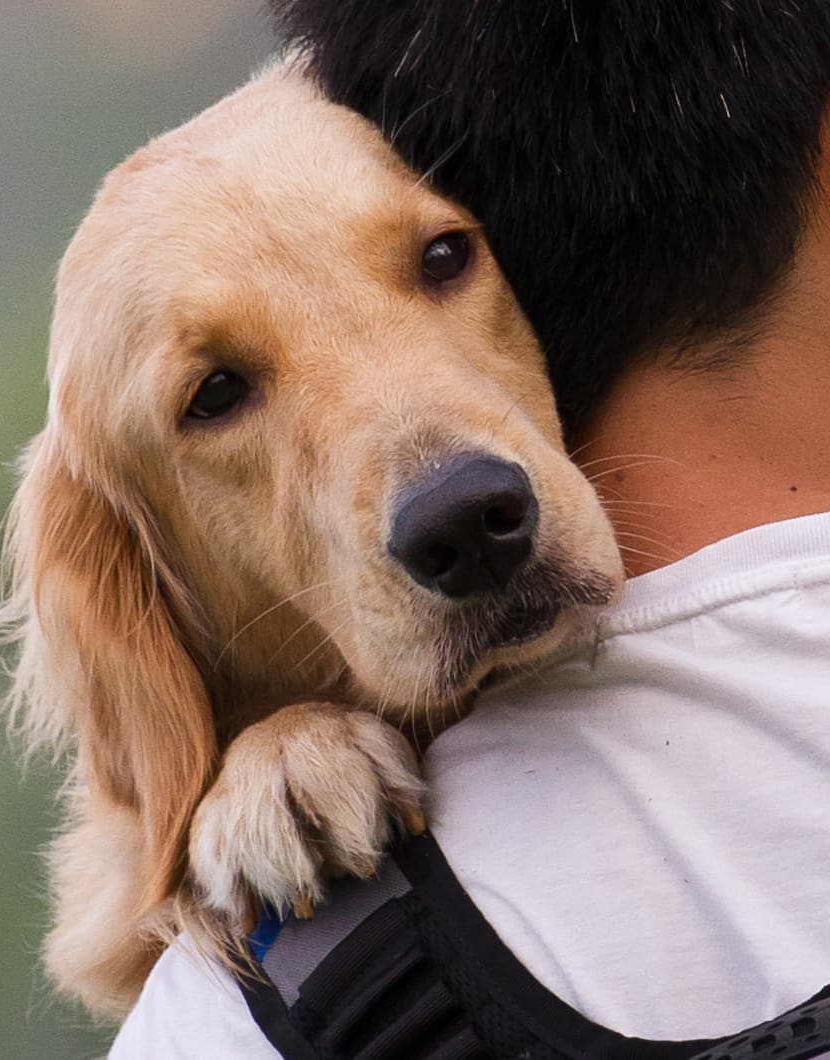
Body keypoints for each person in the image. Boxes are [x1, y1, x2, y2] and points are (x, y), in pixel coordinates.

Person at [112, 3, 830, 1056]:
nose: (441, 490)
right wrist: (253, 755)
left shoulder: (242, 1026)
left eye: (442, 259)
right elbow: (126, 889)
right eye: (218, 392)